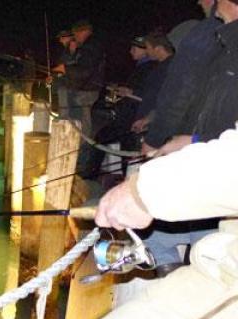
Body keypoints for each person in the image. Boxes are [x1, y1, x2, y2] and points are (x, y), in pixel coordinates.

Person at [94, 125, 238, 318]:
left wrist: (143, 192)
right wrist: (191, 140)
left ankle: (168, 270)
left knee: (155, 236)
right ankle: (169, 272)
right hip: (224, 264)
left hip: (223, 268)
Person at [141, 0, 221, 154]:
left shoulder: (206, 33)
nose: (199, 2)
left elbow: (180, 93)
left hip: (196, 141)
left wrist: (155, 139)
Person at [80, 36, 157, 178]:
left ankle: (90, 175)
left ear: (145, 50)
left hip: (132, 117)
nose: (130, 51)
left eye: (134, 48)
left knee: (102, 139)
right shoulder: (141, 67)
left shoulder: (151, 68)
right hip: (128, 115)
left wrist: (131, 92)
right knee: (125, 149)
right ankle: (123, 180)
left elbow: (150, 93)